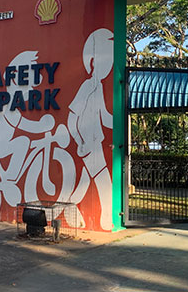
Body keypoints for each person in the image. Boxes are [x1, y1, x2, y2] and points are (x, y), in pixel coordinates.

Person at [68, 28, 114, 230]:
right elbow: (71, 117)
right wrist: (80, 141)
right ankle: (106, 220)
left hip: (96, 141)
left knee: (83, 183)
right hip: (89, 144)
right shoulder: (87, 85)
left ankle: (70, 207)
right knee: (104, 179)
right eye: (105, 59)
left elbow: (105, 117)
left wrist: (124, 117)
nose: (109, 64)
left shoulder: (100, 86)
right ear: (93, 61)